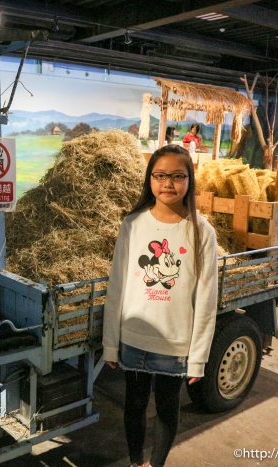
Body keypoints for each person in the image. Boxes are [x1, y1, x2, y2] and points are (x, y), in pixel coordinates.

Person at [102, 144, 218, 467]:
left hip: (175, 343)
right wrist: (110, 343)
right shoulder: (133, 224)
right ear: (150, 179)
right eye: (160, 175)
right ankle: (137, 461)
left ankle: (156, 464)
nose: (168, 183)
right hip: (135, 339)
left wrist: (198, 358)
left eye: (177, 176)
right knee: (135, 404)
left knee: (168, 407)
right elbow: (117, 287)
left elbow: (207, 299)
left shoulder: (201, 231)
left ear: (189, 180)